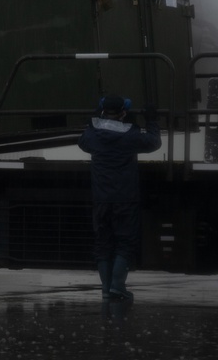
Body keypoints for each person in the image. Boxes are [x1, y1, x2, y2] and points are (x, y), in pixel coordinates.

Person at [78, 95, 162, 300]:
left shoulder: (93, 136)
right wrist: (151, 120)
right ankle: (117, 286)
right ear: (124, 113)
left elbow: (82, 141)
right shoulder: (131, 135)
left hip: (101, 199)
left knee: (103, 243)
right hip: (125, 198)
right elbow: (154, 142)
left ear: (102, 111)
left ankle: (107, 289)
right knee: (125, 241)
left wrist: (93, 120)